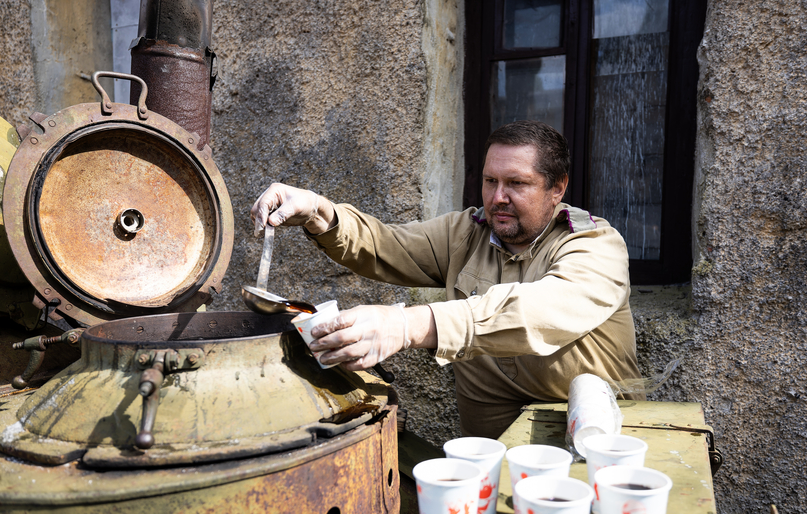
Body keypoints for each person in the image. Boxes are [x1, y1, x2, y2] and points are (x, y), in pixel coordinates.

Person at [251, 120, 641, 439]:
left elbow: (538, 312)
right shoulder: (466, 233)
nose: (498, 197)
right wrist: (319, 211)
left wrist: (406, 324)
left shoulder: (594, 244)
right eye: (490, 181)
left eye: (516, 183)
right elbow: (386, 246)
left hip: (594, 441)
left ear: (557, 189)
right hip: (490, 455)